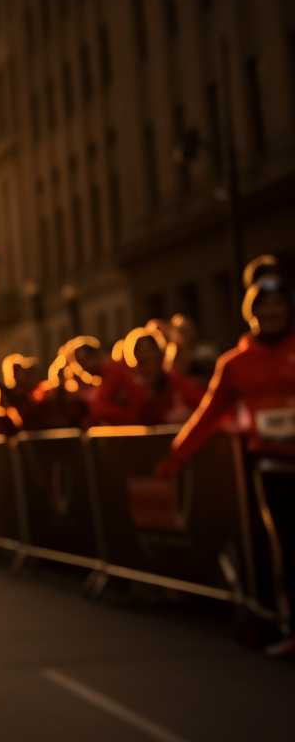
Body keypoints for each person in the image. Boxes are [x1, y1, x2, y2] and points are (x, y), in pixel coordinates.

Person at [159, 264, 295, 655]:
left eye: (279, 311)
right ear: (251, 315)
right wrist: (177, 456)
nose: (272, 318)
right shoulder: (234, 363)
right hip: (271, 466)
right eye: (264, 311)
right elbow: (208, 413)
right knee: (285, 547)